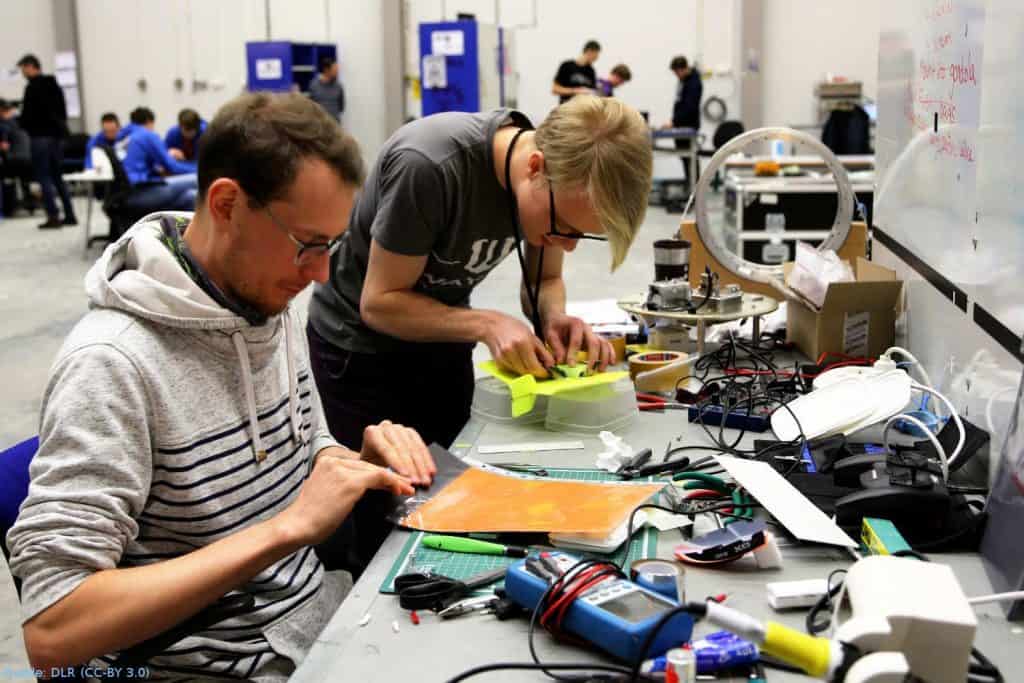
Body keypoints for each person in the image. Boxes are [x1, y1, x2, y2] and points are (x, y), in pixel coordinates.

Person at [7, 91, 436, 680]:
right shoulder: (110, 365)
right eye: (309, 244)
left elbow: (297, 450)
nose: (320, 274)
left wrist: (349, 460)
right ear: (228, 202)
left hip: (319, 619)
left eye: (332, 247)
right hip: (217, 664)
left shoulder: (265, 301)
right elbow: (54, 628)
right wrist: (285, 530)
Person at [307, 94, 653, 573]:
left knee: (454, 497)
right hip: (359, 351)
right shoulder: (429, 167)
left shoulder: (550, 186)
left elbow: (546, 280)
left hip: (439, 337)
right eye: (564, 228)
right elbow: (380, 304)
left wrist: (555, 319)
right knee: (383, 517)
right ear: (535, 166)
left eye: (582, 236)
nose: (567, 244)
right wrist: (488, 322)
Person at [16, 54, 77, 228]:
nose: (23, 73)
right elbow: (63, 113)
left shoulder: (32, 87)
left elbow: (27, 115)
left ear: (30, 66)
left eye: (23, 69)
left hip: (40, 138)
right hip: (56, 138)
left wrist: (21, 122)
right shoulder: (54, 85)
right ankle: (70, 214)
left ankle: (53, 216)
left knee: (43, 177)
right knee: (58, 176)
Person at [121, 106, 199, 212]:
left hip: (125, 195)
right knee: (196, 179)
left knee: (191, 196)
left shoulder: (123, 136)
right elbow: (172, 167)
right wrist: (200, 169)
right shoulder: (146, 135)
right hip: (142, 191)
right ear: (149, 121)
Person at [668, 55, 703, 185]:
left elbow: (689, 107)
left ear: (683, 69)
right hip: (680, 124)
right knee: (685, 158)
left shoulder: (694, 83)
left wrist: (674, 121)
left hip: (688, 125)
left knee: (691, 159)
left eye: (677, 72)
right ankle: (690, 186)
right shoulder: (683, 81)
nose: (676, 75)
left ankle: (695, 188)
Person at [0, 98, 37, 216]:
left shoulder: (4, 125)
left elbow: (4, 146)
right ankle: (31, 205)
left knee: (6, 177)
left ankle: (8, 209)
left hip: (14, 162)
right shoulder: (22, 122)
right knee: (24, 179)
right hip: (30, 161)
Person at [307, 56, 346, 122]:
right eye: (335, 70)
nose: (337, 73)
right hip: (320, 126)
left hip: (335, 126)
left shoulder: (339, 86)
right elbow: (310, 107)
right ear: (326, 70)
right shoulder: (314, 85)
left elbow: (341, 107)